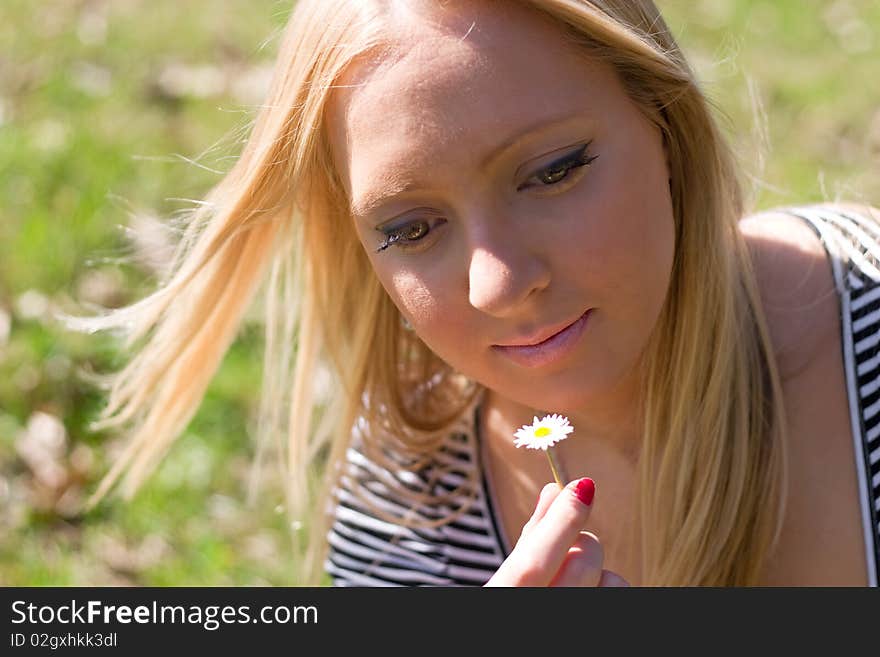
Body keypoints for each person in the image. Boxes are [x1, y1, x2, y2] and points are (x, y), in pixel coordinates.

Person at [61, 0, 879, 586]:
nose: (500, 284)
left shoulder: (862, 319)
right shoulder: (411, 486)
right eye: (412, 229)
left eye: (553, 172)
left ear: (663, 126)